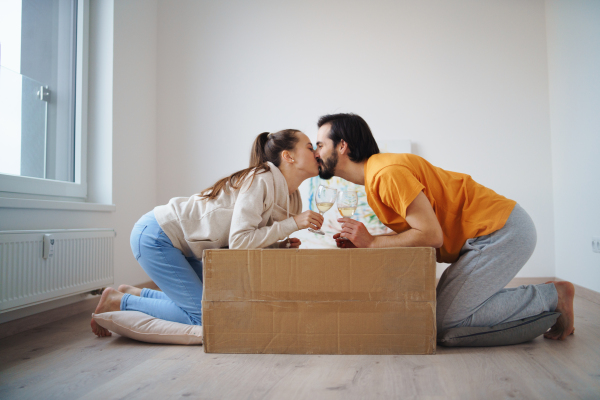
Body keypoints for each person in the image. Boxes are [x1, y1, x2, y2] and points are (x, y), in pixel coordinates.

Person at [313, 113, 575, 341]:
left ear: (343, 146)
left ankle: (553, 296)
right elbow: (418, 228)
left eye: (320, 145)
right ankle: (544, 299)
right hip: (486, 236)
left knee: (443, 323)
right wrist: (368, 239)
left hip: (500, 231)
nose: (316, 153)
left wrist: (371, 243)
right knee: (440, 316)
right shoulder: (377, 175)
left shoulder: (386, 174)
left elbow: (431, 235)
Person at [91, 129, 324, 337]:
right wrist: (292, 224)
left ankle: (137, 294)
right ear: (288, 156)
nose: (316, 153)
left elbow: (250, 237)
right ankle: (121, 301)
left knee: (225, 303)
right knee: (206, 316)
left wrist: (278, 245)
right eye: (310, 147)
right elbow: (240, 242)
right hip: (157, 235)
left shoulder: (291, 197)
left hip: (185, 247)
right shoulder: (261, 179)